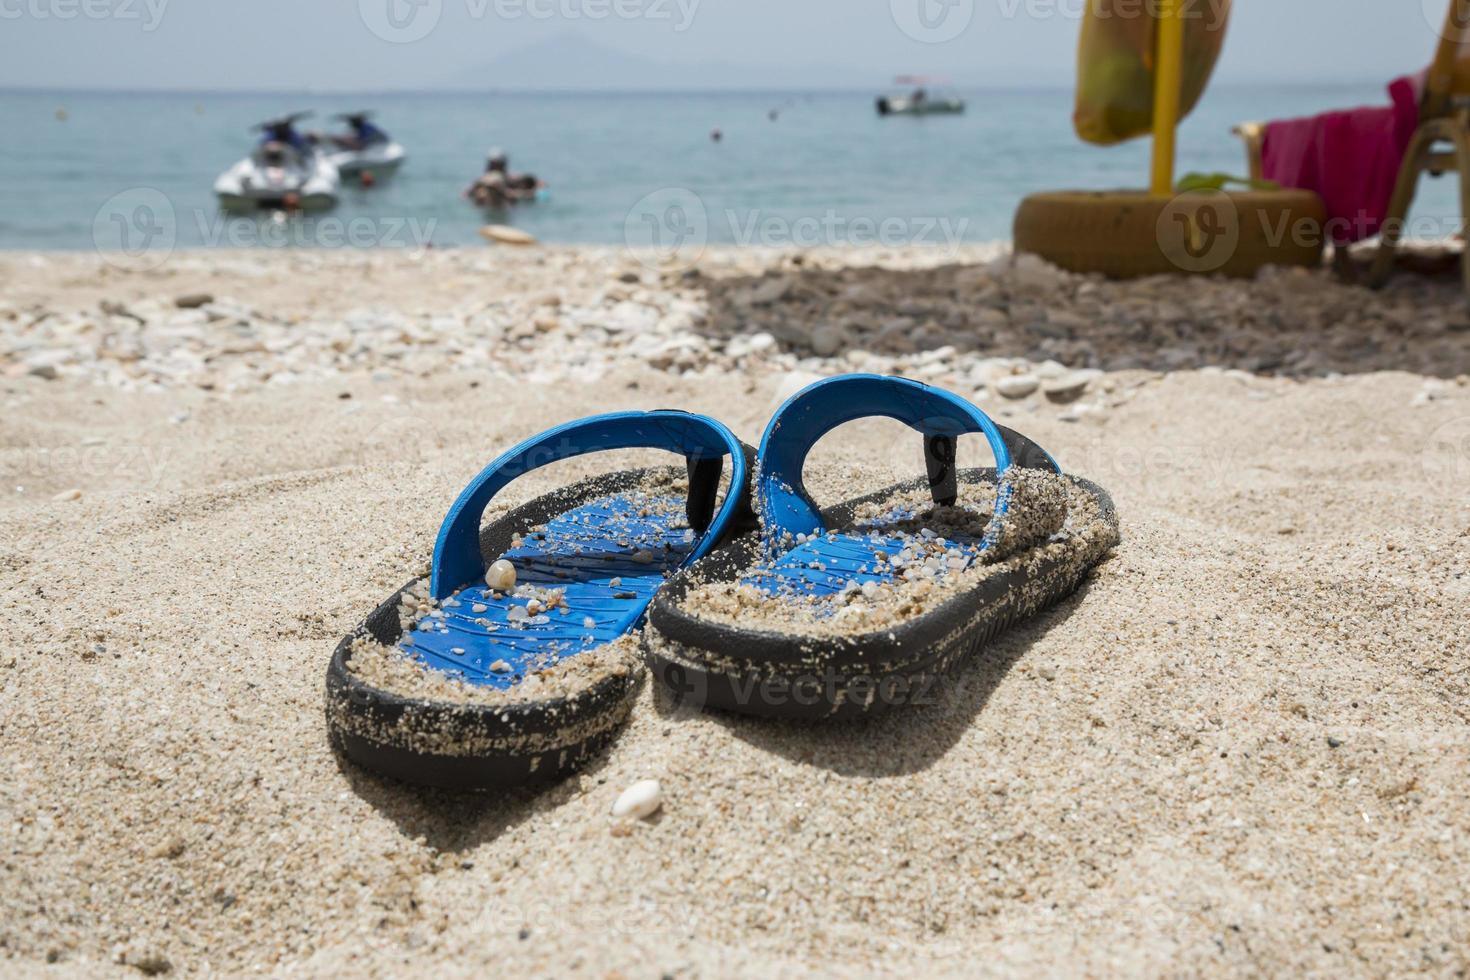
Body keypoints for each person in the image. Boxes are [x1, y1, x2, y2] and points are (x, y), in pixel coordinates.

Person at [467, 149, 539, 207]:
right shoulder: (480, 183)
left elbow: (534, 188)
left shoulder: (512, 179)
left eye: (496, 165)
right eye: (493, 165)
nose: (494, 168)